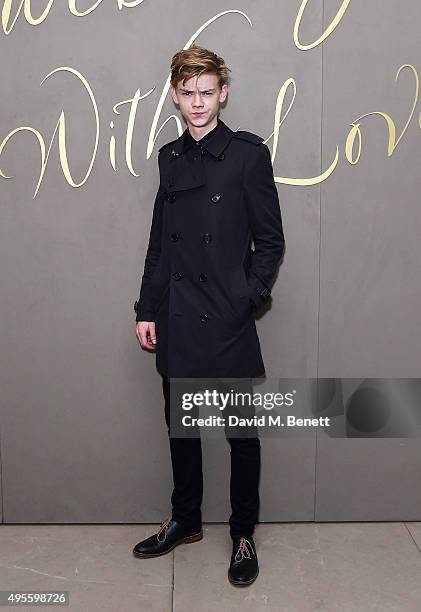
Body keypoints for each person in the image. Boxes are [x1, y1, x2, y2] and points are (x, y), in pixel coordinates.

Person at [132, 44, 285, 587]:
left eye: (206, 92)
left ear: (223, 92)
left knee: (241, 434)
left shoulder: (247, 155)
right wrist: (147, 307)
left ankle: (243, 532)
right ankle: (187, 520)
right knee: (182, 429)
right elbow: (160, 245)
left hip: (228, 318)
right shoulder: (169, 159)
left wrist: (246, 298)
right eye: (187, 93)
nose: (197, 103)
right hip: (177, 314)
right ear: (176, 96)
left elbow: (270, 241)